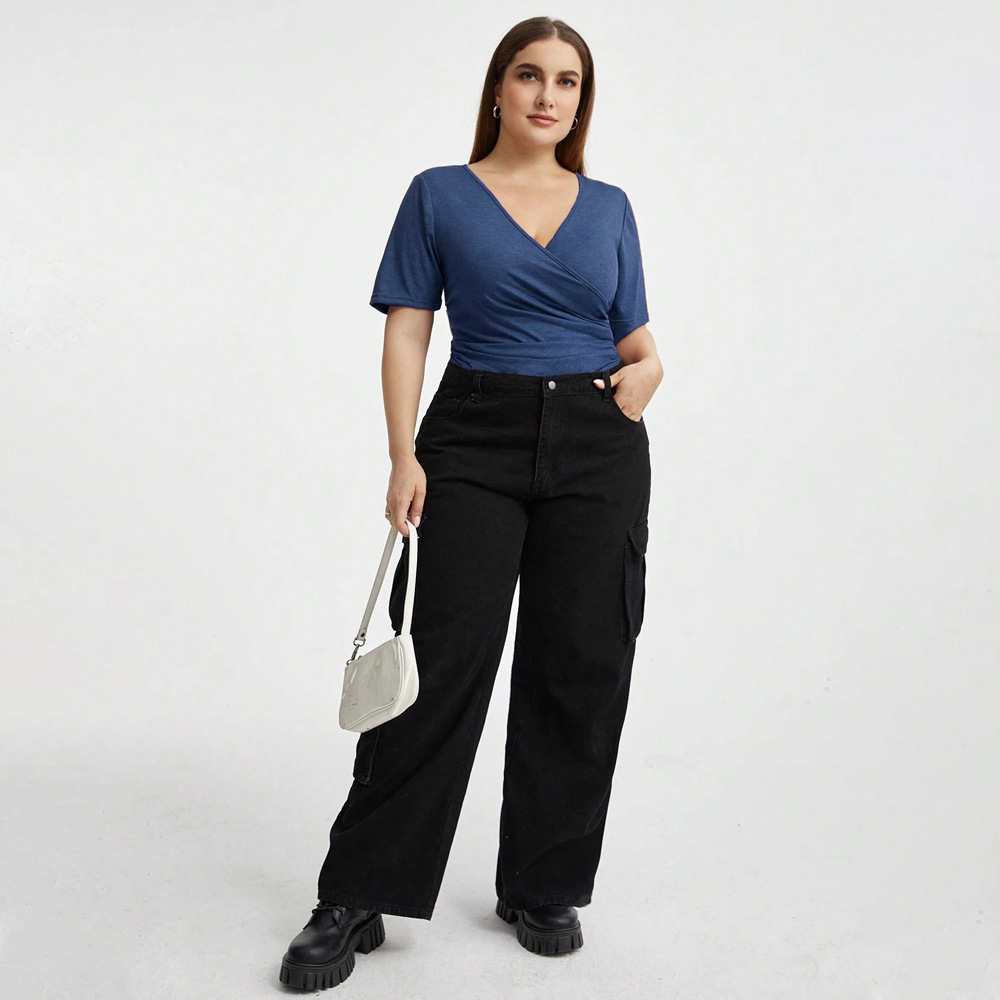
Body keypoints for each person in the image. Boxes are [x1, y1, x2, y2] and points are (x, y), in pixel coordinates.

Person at [279, 15, 663, 991]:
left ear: (581, 102)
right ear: (499, 88)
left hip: (596, 444)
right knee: (438, 663)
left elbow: (634, 337)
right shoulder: (438, 194)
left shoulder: (609, 207)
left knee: (581, 664)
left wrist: (649, 371)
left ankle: (542, 883)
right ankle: (357, 890)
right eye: (530, 75)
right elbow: (409, 328)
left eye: (567, 82)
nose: (547, 95)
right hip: (474, 433)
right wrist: (403, 452)